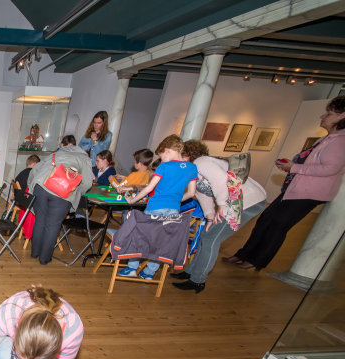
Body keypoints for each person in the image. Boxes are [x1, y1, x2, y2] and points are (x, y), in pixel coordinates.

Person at [227, 96, 345, 271]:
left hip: (308, 193)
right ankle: (244, 254)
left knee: (277, 226)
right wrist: (292, 167)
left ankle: (256, 261)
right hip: (297, 189)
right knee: (265, 220)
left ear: (342, 116)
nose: (323, 116)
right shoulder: (329, 139)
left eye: (329, 113)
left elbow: (330, 169)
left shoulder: (340, 142)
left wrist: (295, 167)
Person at [171, 140, 267, 293]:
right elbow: (202, 194)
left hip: (246, 202)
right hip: (233, 202)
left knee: (211, 239)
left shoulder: (201, 162)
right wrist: (210, 216)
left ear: (187, 156)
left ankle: (198, 280)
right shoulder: (192, 170)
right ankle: (190, 272)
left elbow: (222, 182)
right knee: (206, 235)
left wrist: (222, 205)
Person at [119, 134, 197, 280]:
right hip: (173, 210)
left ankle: (132, 268)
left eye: (161, 156)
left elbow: (149, 188)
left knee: (141, 237)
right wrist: (175, 201)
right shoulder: (192, 168)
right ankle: (149, 273)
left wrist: (133, 200)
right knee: (160, 241)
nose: (161, 159)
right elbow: (191, 193)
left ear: (167, 150)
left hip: (155, 206)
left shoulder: (164, 166)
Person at [27, 142, 94, 265]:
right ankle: (44, 259)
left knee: (40, 220)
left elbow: (35, 169)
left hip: (41, 186)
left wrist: (31, 185)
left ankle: (34, 253)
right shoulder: (84, 159)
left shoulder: (57, 153)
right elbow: (87, 183)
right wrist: (75, 191)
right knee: (53, 226)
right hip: (62, 194)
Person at [14, 154, 40, 240]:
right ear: (34, 164)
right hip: (25, 202)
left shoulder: (22, 173)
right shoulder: (32, 174)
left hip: (19, 200)